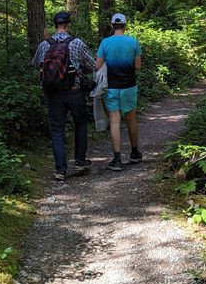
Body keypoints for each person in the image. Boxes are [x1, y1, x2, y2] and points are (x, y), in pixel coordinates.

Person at [33, 11, 96, 182]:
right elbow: (92, 65)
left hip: (53, 93)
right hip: (74, 90)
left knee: (57, 130)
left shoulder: (44, 45)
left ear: (54, 25)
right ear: (69, 24)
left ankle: (60, 169)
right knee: (81, 123)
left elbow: (36, 65)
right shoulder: (77, 43)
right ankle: (80, 161)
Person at [95, 13, 142, 171]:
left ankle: (116, 159)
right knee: (131, 119)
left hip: (112, 86)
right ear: (125, 25)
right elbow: (137, 66)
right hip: (129, 85)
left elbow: (97, 65)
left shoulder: (105, 43)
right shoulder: (133, 41)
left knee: (115, 122)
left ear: (112, 25)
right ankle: (134, 153)